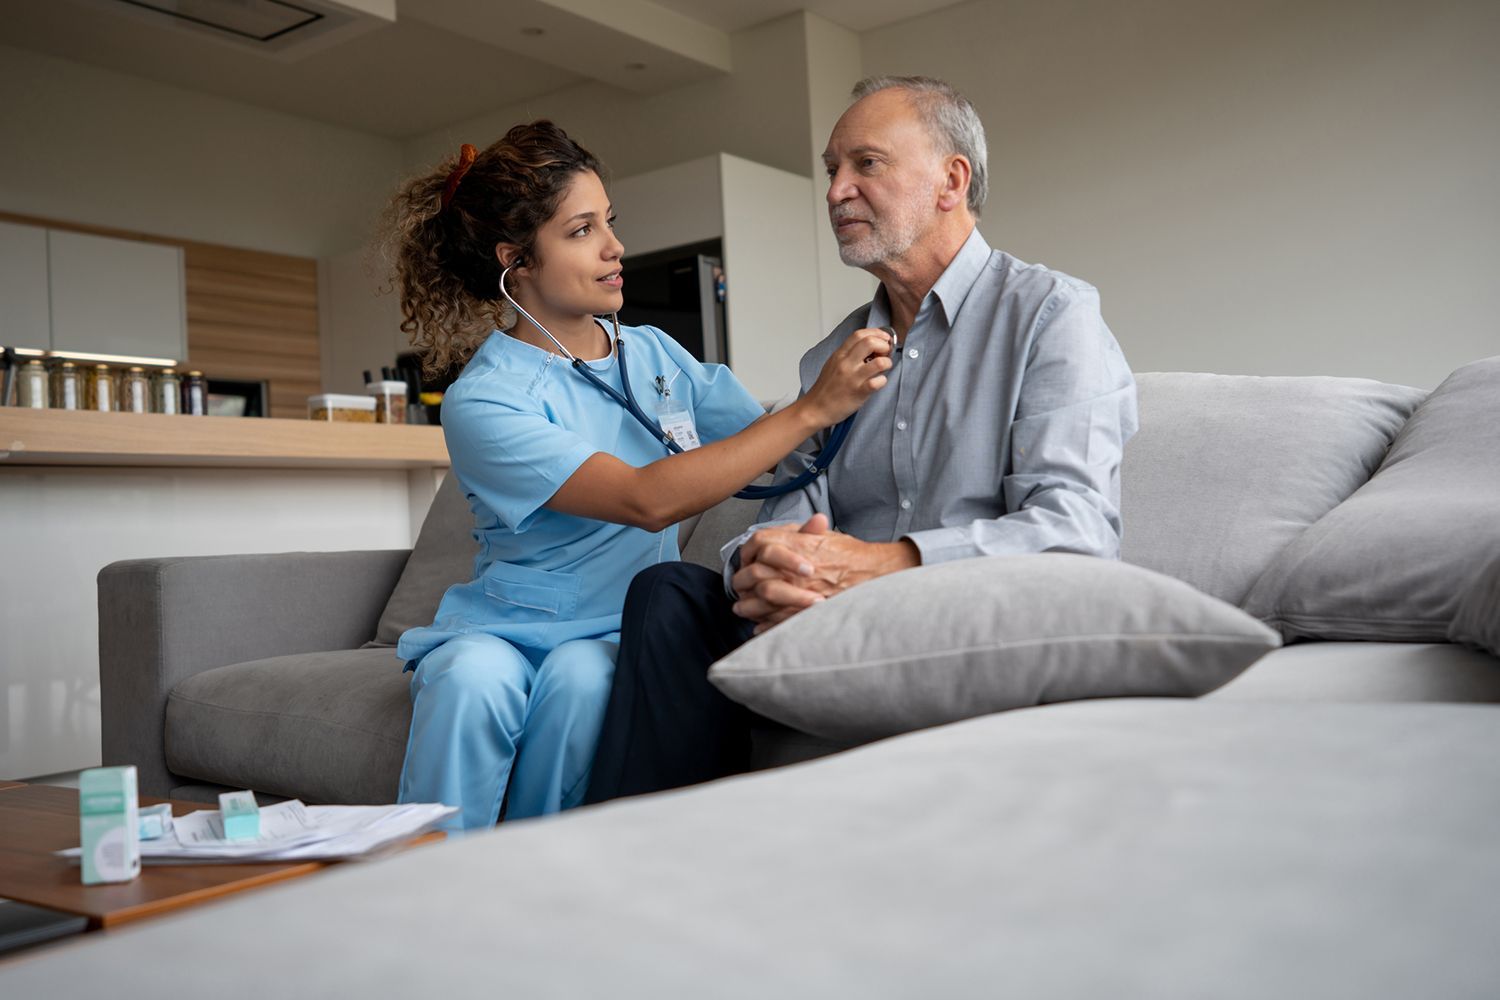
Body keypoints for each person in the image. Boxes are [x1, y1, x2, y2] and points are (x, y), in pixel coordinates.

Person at [585, 76, 1140, 802]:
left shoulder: (1049, 316)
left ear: (952, 180)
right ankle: (648, 853)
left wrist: (884, 563)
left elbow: (1077, 530)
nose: (836, 190)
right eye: (831, 169)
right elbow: (787, 514)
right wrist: (760, 565)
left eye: (866, 164)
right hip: (829, 621)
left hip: (961, 616)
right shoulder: (832, 358)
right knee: (668, 592)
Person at [381, 121, 893, 831]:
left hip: (615, 626)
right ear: (516, 260)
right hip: (503, 626)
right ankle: (414, 884)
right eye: (582, 230)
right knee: (471, 682)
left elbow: (771, 445)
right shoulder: (485, 399)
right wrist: (811, 409)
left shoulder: (653, 355)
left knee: (582, 683)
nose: (615, 247)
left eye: (609, 223)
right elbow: (644, 500)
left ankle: (531, 883)